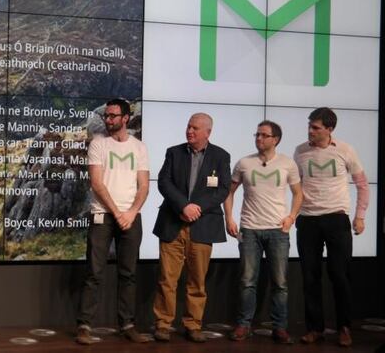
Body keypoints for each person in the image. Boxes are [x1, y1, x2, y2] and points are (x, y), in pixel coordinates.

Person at [76, 99, 151, 345]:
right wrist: (117, 213)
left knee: (128, 273)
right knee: (94, 273)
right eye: (106, 116)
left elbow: (143, 185)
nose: (108, 120)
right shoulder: (99, 144)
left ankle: (127, 324)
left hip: (131, 217)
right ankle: (85, 326)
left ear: (125, 118)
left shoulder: (139, 147)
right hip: (103, 215)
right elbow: (97, 183)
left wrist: (131, 212)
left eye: (112, 116)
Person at [152, 113, 230, 343]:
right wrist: (184, 205)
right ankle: (163, 324)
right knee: (167, 278)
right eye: (188, 126)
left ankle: (193, 324)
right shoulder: (174, 152)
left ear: (208, 132)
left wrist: (197, 207)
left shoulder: (220, 156)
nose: (189, 131)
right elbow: (164, 182)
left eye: (195, 128)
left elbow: (223, 189)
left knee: (197, 280)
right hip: (173, 223)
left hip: (203, 225)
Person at [294, 107, 369, 347]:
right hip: (308, 220)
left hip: (337, 219)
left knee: (339, 275)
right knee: (310, 276)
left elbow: (363, 185)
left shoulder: (345, 150)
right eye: (309, 126)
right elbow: (296, 187)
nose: (310, 131)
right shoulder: (300, 151)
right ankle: (315, 328)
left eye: (316, 127)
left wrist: (360, 217)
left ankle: (344, 327)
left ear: (329, 129)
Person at [224, 120, 302, 344]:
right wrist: (228, 217)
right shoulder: (244, 163)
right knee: (247, 280)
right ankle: (243, 325)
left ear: (275, 139)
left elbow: (298, 193)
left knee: (280, 282)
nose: (259, 138)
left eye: (264, 135)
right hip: (250, 229)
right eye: (257, 134)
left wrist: (291, 217)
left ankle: (280, 327)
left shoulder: (287, 164)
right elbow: (229, 192)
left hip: (278, 230)